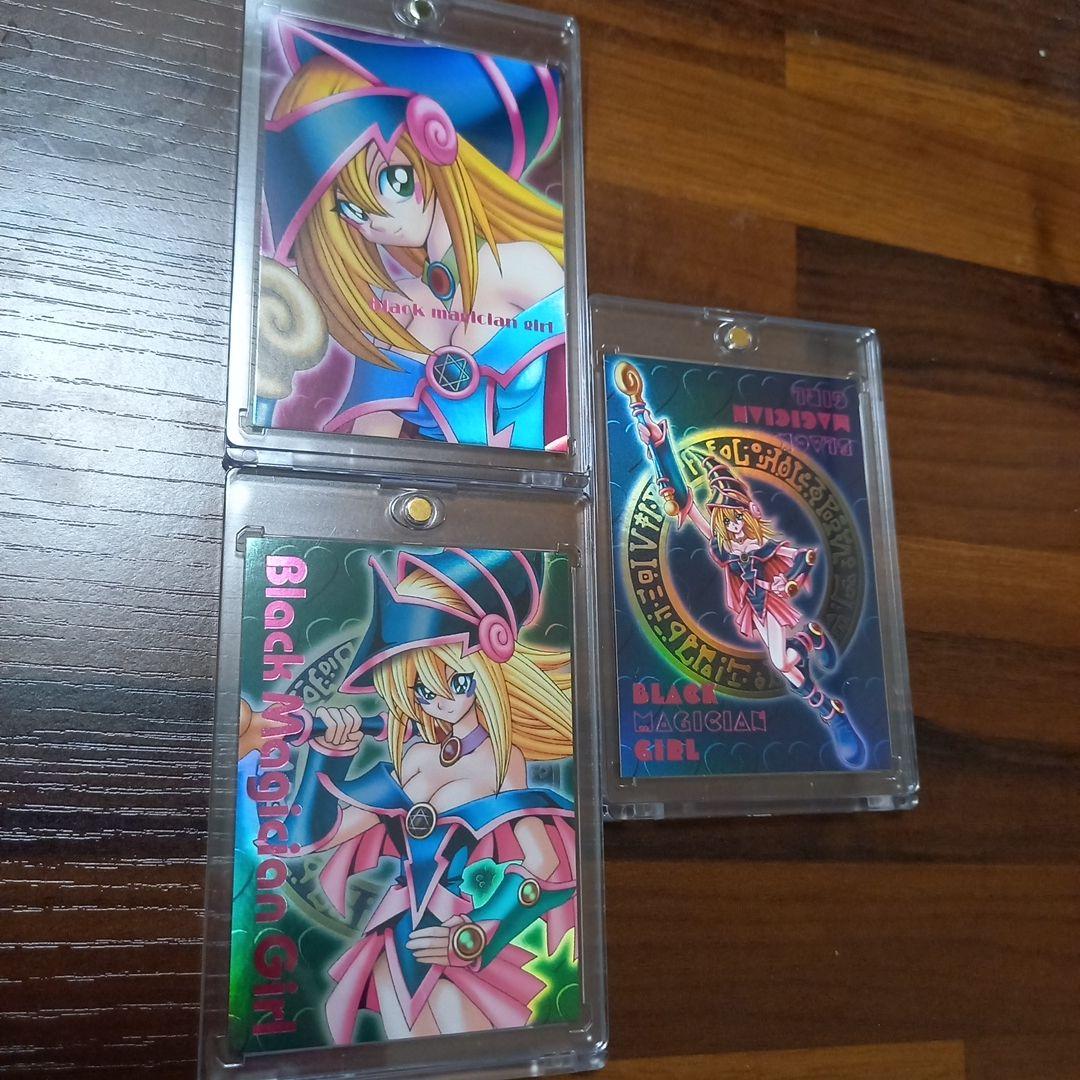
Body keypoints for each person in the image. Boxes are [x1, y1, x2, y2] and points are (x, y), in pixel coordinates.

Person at [287, 548, 577, 1041]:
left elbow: (544, 861)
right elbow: (308, 838)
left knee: (466, 1042)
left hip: (453, 932)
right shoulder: (413, 757)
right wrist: (329, 755)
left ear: (489, 671)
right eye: (420, 689)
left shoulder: (500, 758)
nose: (438, 700)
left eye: (456, 681)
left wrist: (478, 932)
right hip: (396, 932)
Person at [257, 19, 568, 450]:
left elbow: (579, 409)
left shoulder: (522, 267)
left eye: (394, 181)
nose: (376, 222)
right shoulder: (396, 307)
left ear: (437, 145)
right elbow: (370, 446)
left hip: (543, 486)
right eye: (352, 210)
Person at [636, 412, 868, 769]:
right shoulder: (723, 545)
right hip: (754, 605)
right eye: (727, 521)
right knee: (786, 662)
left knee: (782, 662)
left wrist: (787, 582)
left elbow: (802, 560)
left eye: (737, 518)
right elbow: (688, 505)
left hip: (771, 599)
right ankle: (810, 641)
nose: (733, 527)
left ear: (751, 513)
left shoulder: (765, 547)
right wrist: (660, 445)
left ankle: (830, 711)